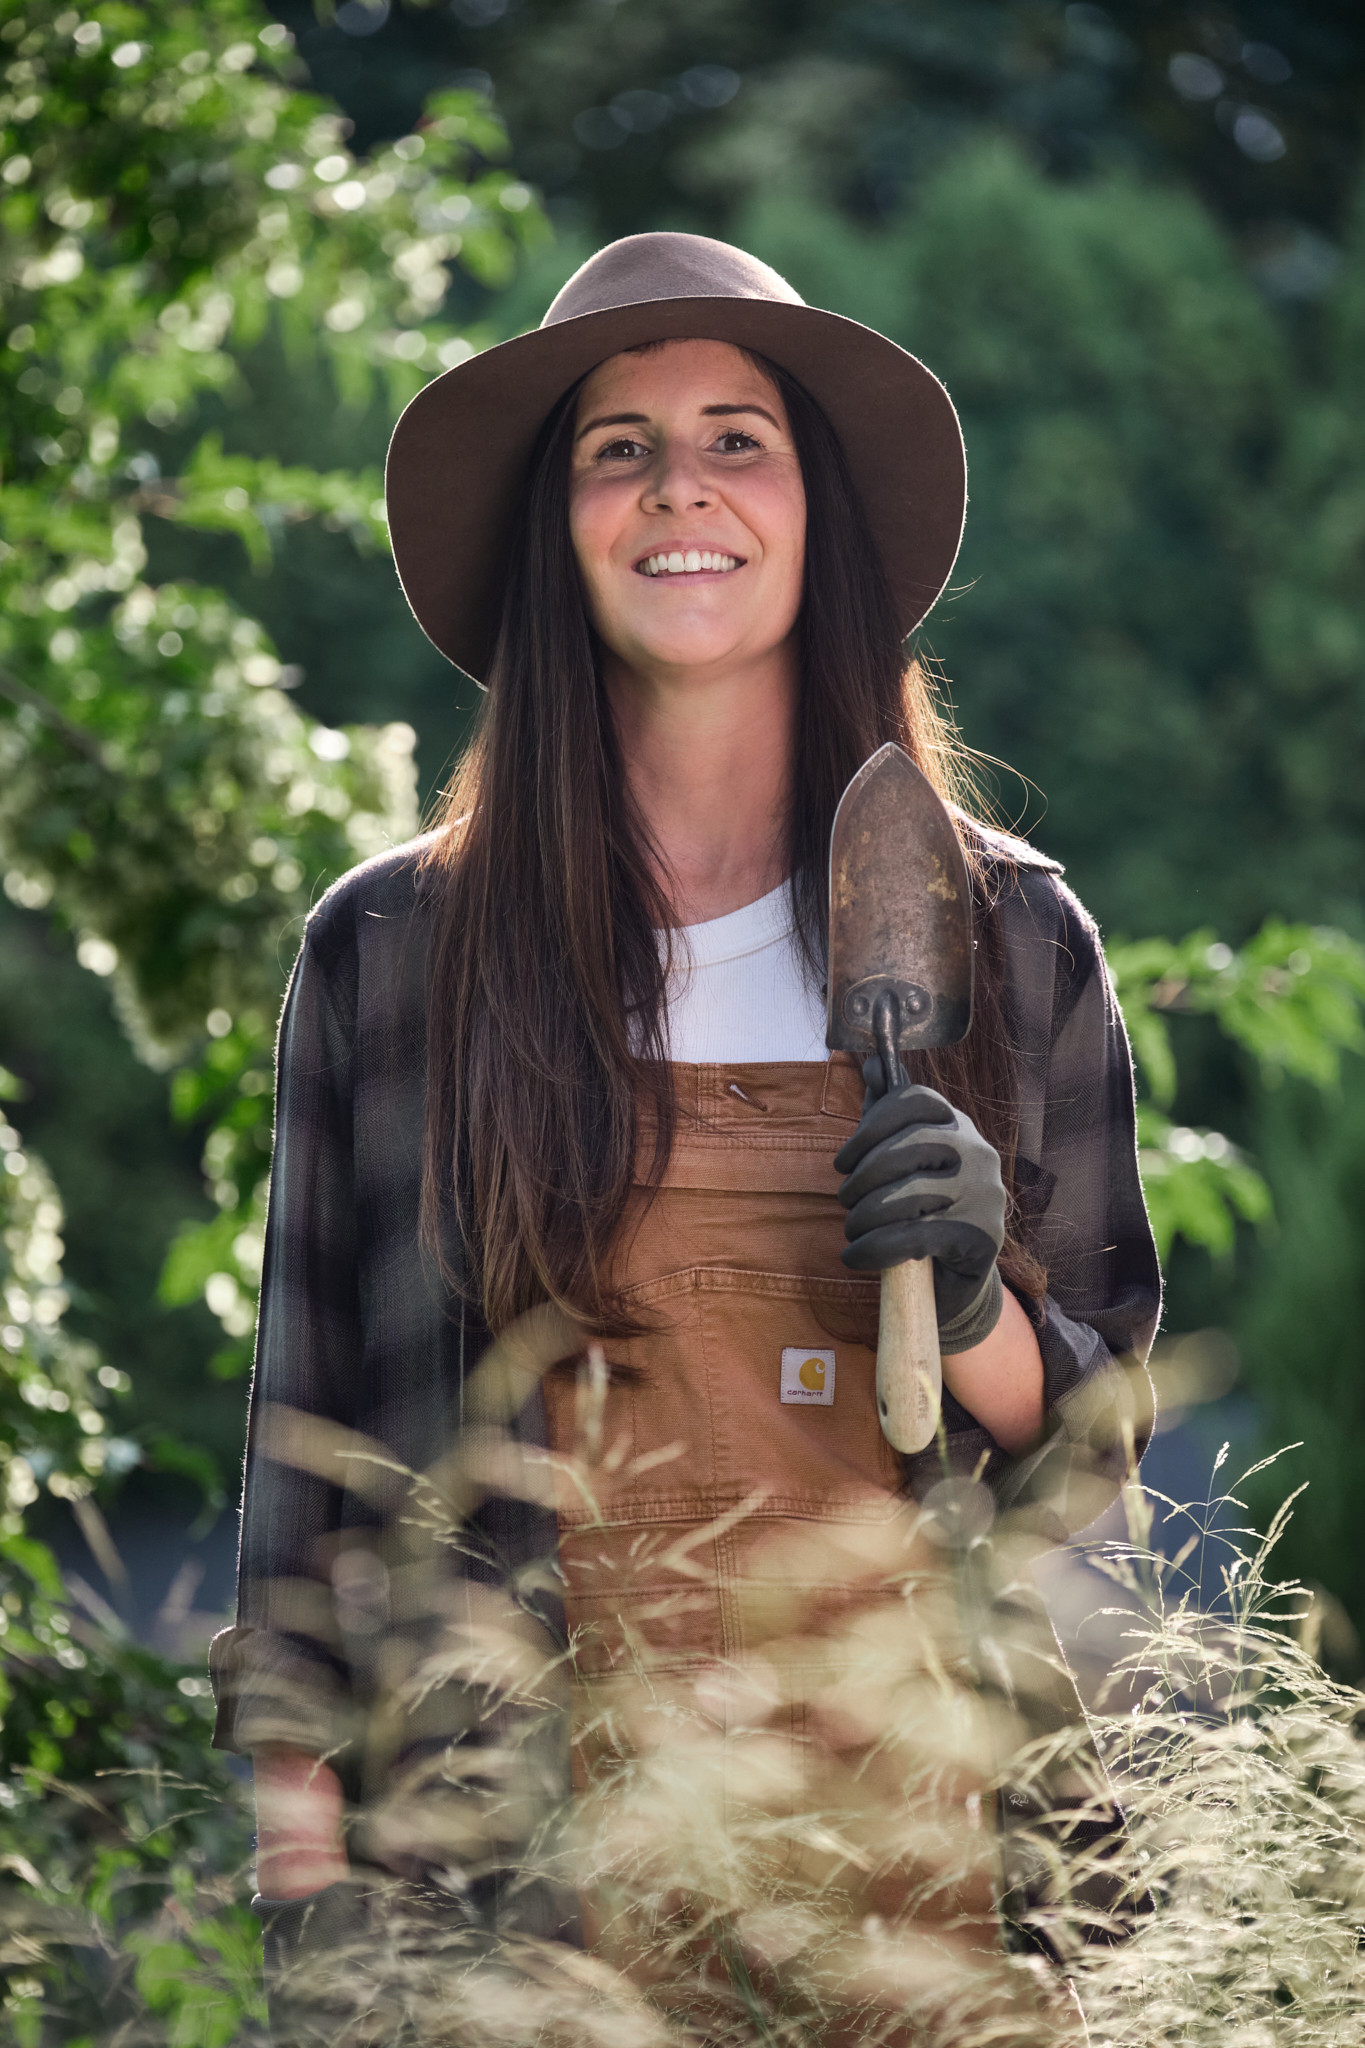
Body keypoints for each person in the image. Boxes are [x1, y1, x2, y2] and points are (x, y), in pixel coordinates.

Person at [210, 233, 1160, 2030]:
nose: (677, 490)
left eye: (737, 439)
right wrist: (311, 1891)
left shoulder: (1002, 937)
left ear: (817, 514)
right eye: (615, 447)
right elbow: (308, 1461)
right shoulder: (396, 955)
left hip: (925, 1885)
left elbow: (1087, 1460)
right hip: (519, 1896)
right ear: (557, 536)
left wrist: (974, 1314)